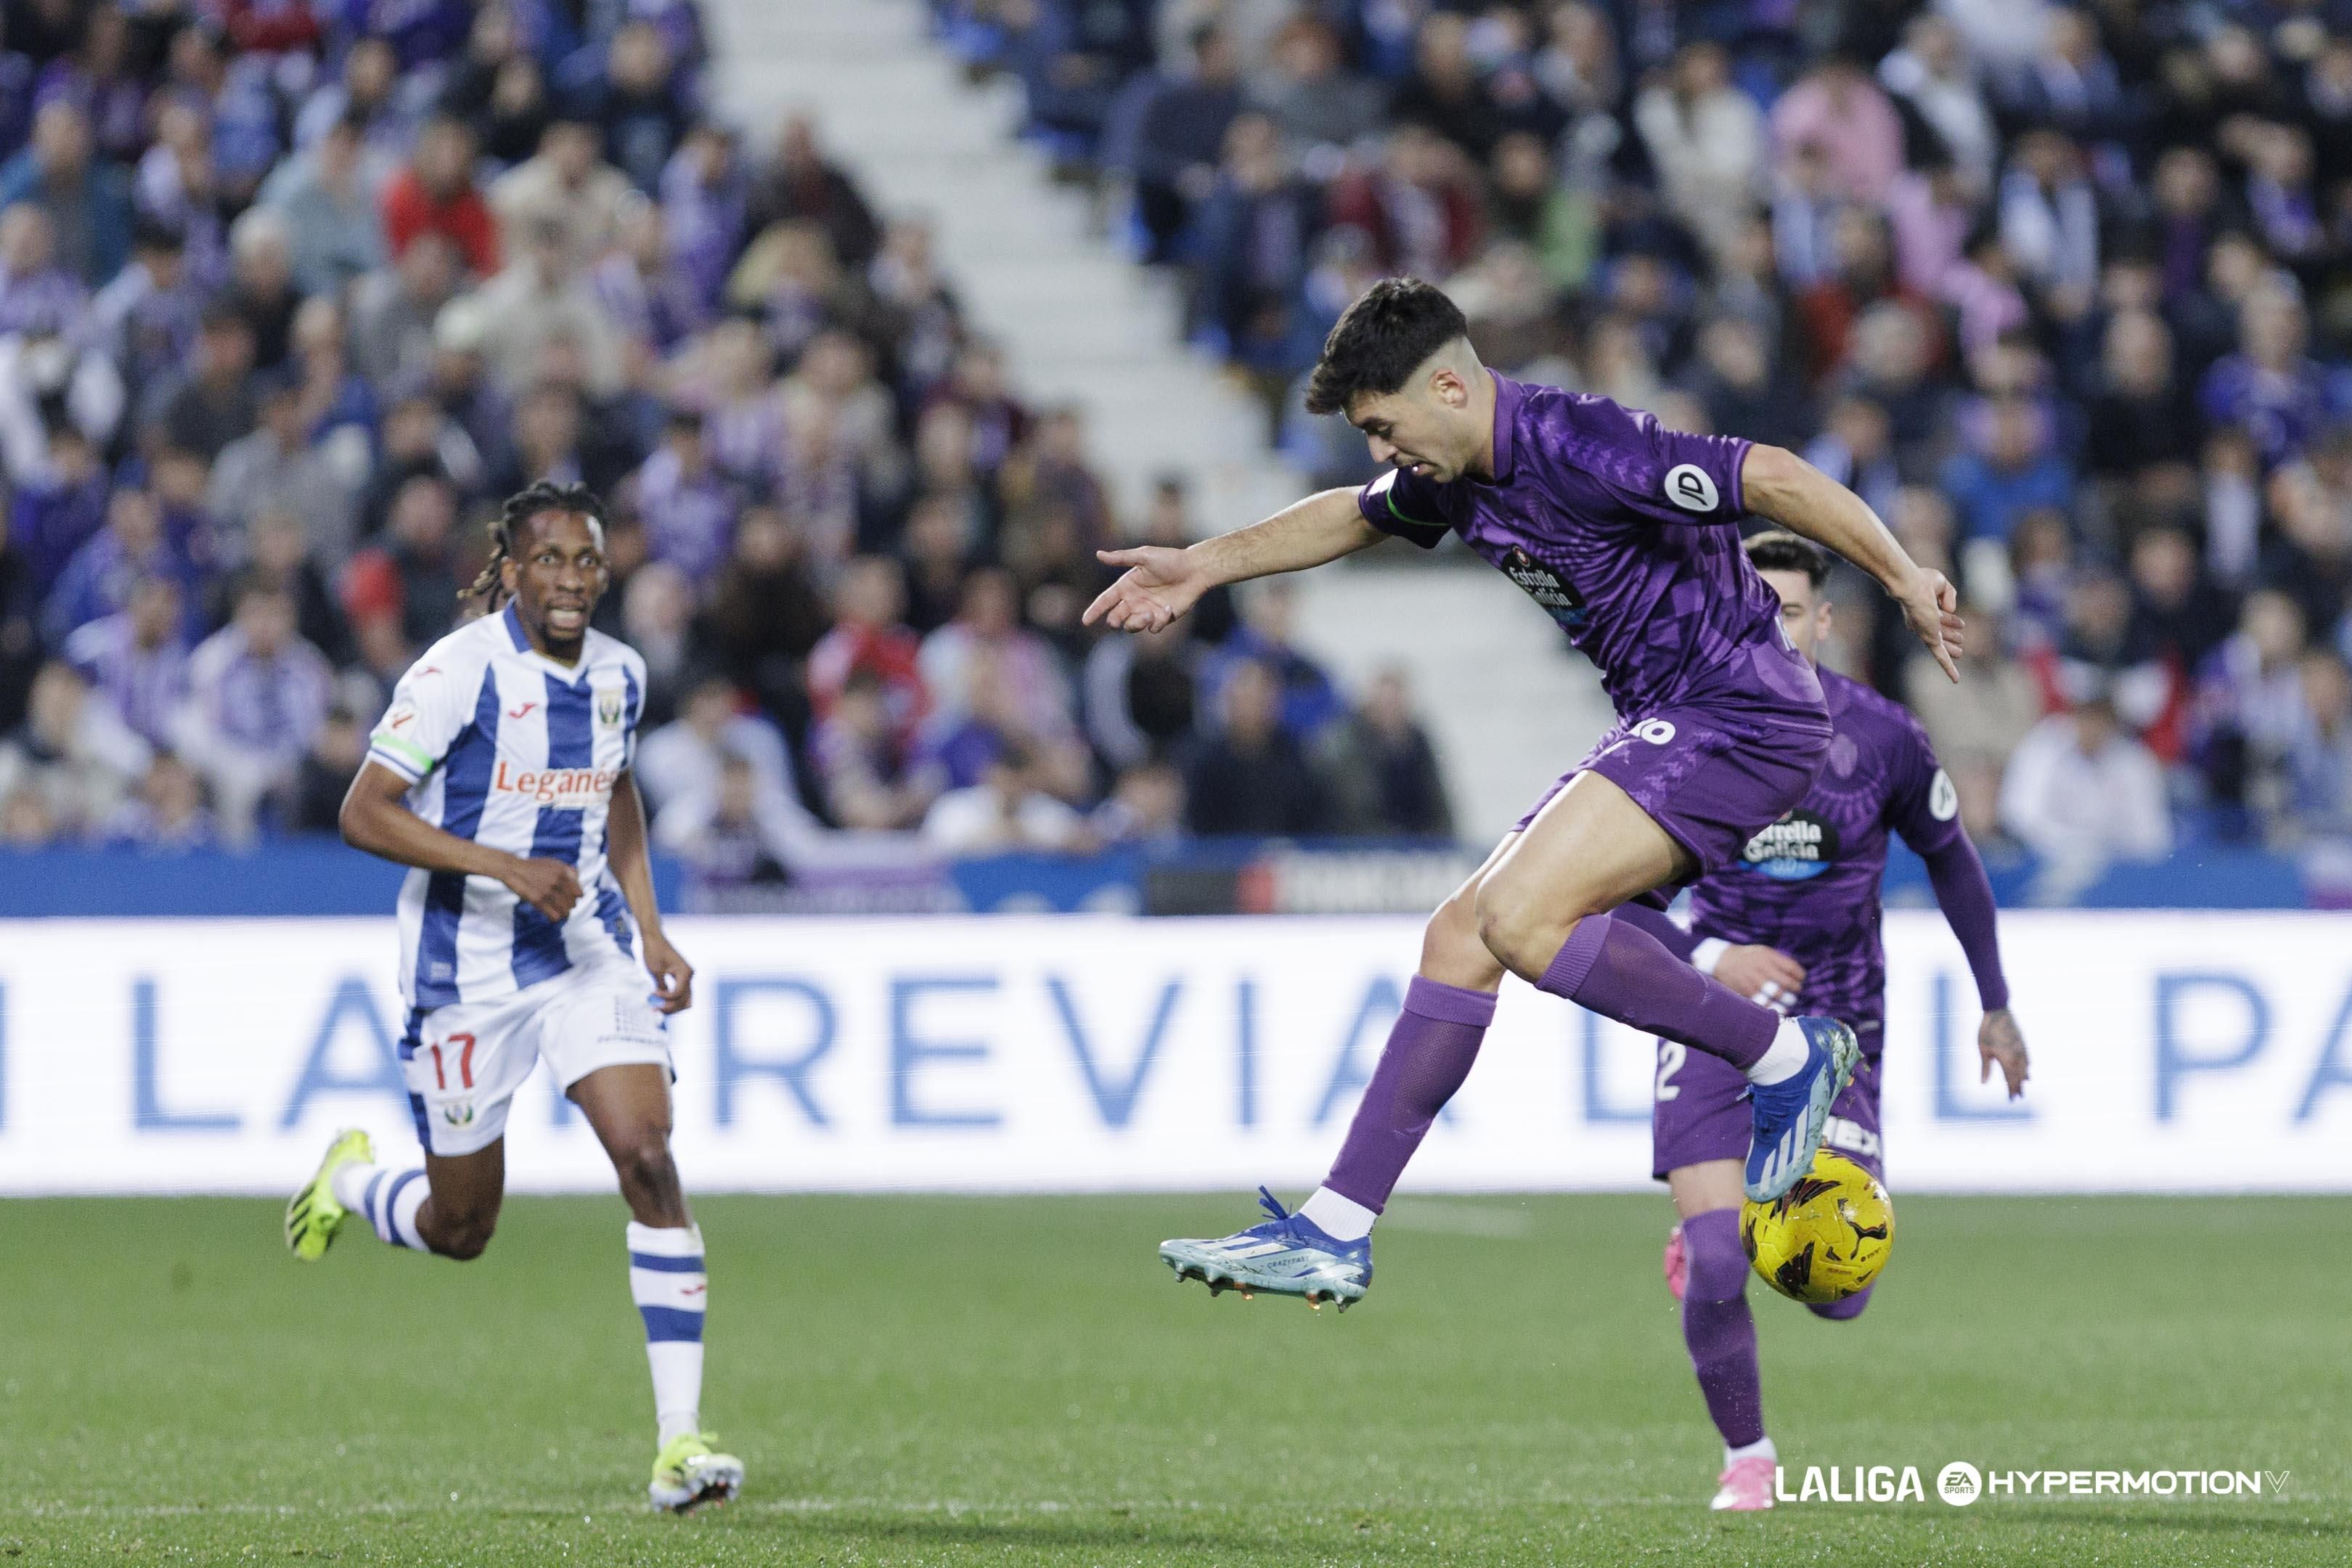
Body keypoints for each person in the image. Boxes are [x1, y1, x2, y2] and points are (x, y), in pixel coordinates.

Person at [1089, 278, 1962, 1304]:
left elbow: (1768, 474)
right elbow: (1355, 517)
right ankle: (1335, 1229)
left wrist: (1901, 573)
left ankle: (1782, 1055)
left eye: (1383, 425)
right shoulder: (1457, 470)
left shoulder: (1581, 443)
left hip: (1742, 711)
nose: (1381, 451)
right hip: (1671, 723)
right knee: (1460, 937)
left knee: (1516, 914)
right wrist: (1201, 565)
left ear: (1450, 386)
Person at [282, 481, 743, 1515]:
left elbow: (615, 787)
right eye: (549, 561)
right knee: (461, 1227)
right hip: (466, 971)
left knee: (648, 1157)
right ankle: (352, 1183)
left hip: (585, 951)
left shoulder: (622, 673)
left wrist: (653, 926)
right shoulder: (458, 671)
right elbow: (365, 812)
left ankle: (681, 1444)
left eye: (586, 561)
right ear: (513, 567)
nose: (570, 579)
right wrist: (502, 865)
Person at [1620, 533, 2028, 1511]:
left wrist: (1996, 1005)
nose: (1776, 628)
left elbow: (1954, 862)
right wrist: (1714, 958)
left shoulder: (1881, 737)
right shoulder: (1678, 735)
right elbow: (1611, 899)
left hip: (1841, 1020)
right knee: (1722, 1258)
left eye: (1794, 612)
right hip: (1714, 1011)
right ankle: (1747, 1459)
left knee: (1842, 1290)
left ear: (1827, 621)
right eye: (1757, 611)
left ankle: (1745, 1231)